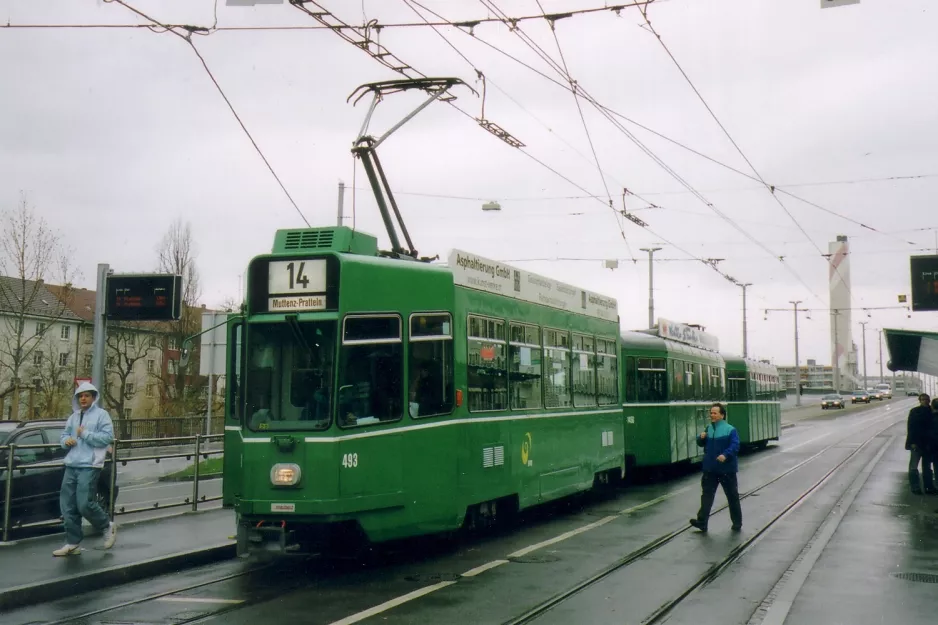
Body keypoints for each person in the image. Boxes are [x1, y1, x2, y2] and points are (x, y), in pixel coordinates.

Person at [53, 382, 118, 556]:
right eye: (80, 396)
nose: (83, 398)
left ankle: (107, 526)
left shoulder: (101, 415)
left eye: (87, 395)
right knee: (67, 505)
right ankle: (73, 543)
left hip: (90, 465)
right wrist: (66, 441)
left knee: (84, 504)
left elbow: (107, 438)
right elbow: (64, 435)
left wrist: (85, 434)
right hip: (72, 464)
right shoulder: (73, 417)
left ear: (93, 398)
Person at [689, 403, 742, 533]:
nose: (712, 415)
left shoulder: (730, 429)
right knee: (706, 495)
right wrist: (700, 438)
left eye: (715, 413)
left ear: (722, 415)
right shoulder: (709, 429)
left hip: (726, 470)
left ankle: (737, 522)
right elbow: (701, 443)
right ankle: (702, 522)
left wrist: (725, 455)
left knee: (732, 496)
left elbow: (735, 446)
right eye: (711, 413)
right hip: (710, 469)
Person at [904, 393, 934, 495]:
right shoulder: (915, 412)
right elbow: (911, 428)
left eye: (926, 399)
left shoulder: (932, 412)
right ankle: (915, 487)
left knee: (926, 467)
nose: (925, 401)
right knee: (914, 467)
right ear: (920, 400)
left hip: (928, 444)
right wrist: (911, 442)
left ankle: (928, 487)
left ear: (929, 401)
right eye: (923, 399)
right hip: (917, 443)